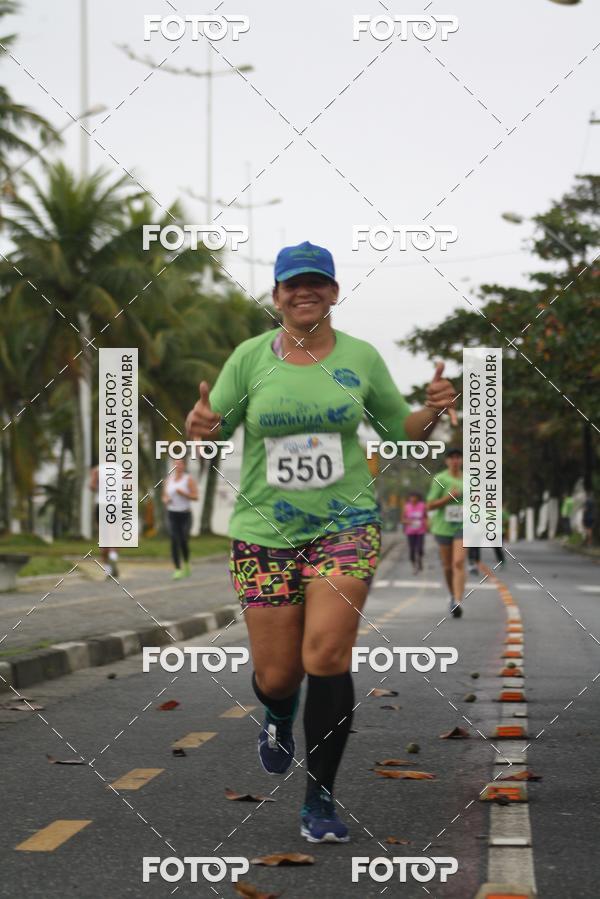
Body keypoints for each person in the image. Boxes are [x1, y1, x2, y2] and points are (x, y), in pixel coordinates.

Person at [186, 241, 458, 843]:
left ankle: (321, 800)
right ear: (277, 296)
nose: (304, 292)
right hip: (264, 534)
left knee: (327, 658)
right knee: (279, 675)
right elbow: (212, 433)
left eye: (317, 282)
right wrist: (198, 426)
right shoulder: (250, 359)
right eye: (292, 284)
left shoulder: (359, 358)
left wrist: (433, 411)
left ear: (334, 292)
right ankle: (278, 713)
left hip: (346, 526)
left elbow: (399, 427)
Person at [426, 448, 465, 617]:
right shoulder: (440, 479)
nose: (455, 461)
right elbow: (430, 505)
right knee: (448, 566)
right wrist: (448, 497)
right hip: (443, 527)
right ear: (447, 461)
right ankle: (451, 595)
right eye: (452, 458)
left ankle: (457, 600)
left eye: (458, 458)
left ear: (462, 460)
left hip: (464, 526)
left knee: (458, 562)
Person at [162, 459, 198, 579]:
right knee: (174, 539)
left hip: (185, 515)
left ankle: (186, 563)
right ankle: (177, 568)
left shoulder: (188, 479)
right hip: (172, 514)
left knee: (183, 540)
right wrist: (166, 500)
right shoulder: (169, 480)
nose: (178, 466)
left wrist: (184, 494)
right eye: (175, 464)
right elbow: (165, 496)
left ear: (184, 466)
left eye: (180, 464)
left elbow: (195, 496)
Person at [89, 464, 119, 579]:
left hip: (102, 505)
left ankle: (108, 568)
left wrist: (95, 477)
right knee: (114, 537)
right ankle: (113, 557)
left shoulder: (97, 469)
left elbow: (91, 487)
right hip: (116, 505)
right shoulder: (123, 470)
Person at [402, 491, 427, 574]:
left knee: (420, 548)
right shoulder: (406, 507)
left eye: (414, 497)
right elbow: (402, 519)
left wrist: (427, 524)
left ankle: (419, 560)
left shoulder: (422, 506)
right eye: (411, 497)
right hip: (410, 531)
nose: (412, 499)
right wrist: (408, 522)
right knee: (412, 549)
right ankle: (414, 566)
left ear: (418, 498)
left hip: (420, 530)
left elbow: (426, 517)